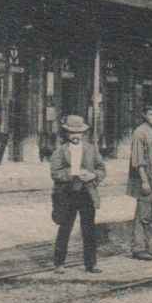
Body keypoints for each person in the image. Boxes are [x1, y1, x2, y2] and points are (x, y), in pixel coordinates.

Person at [50, 114, 105, 273]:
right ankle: (59, 263)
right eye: (72, 132)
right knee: (65, 228)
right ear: (66, 133)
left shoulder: (91, 149)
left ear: (83, 133)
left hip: (87, 193)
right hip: (67, 193)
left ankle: (91, 264)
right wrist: (73, 172)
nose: (75, 136)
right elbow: (55, 173)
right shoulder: (60, 151)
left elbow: (101, 169)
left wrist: (93, 175)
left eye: (78, 132)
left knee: (89, 229)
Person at [126, 103, 152, 260]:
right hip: (146, 179)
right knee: (143, 214)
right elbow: (138, 160)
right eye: (151, 114)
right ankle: (138, 248)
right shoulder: (140, 132)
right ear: (145, 115)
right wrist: (144, 181)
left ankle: (148, 246)